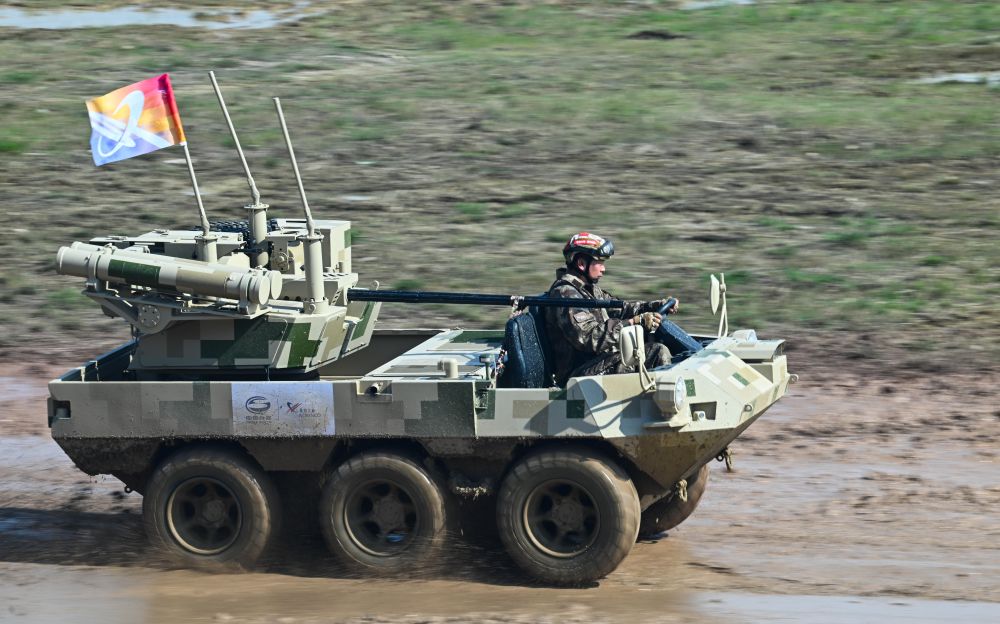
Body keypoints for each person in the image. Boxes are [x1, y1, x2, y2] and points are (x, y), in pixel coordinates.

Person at [544, 232, 678, 386]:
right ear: (581, 263)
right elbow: (589, 338)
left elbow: (620, 308)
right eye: (600, 262)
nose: (603, 269)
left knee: (660, 344)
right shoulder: (565, 294)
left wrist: (654, 306)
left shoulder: (589, 290)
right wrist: (633, 323)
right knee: (656, 353)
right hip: (579, 375)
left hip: (598, 363)